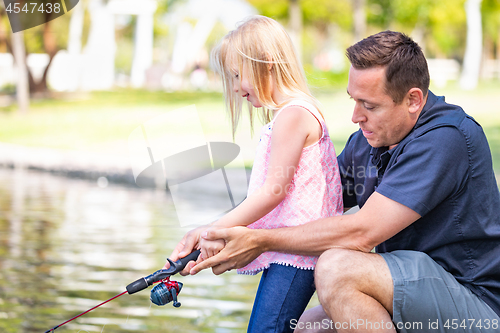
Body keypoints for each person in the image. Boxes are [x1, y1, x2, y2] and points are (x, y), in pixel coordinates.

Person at [171, 30, 500, 333]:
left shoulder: (446, 139)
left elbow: (361, 232)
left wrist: (259, 241)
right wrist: (216, 232)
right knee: (304, 328)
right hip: (409, 290)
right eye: (353, 100)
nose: (356, 117)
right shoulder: (371, 138)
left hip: (472, 307)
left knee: (337, 268)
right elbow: (314, 199)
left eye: (369, 105)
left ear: (413, 100)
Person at [166, 16, 343, 333]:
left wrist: (212, 229)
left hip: (296, 255)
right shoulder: (292, 113)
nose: (234, 87)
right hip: (290, 250)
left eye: (237, 75)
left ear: (267, 63)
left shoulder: (293, 115)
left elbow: (273, 191)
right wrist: (213, 231)